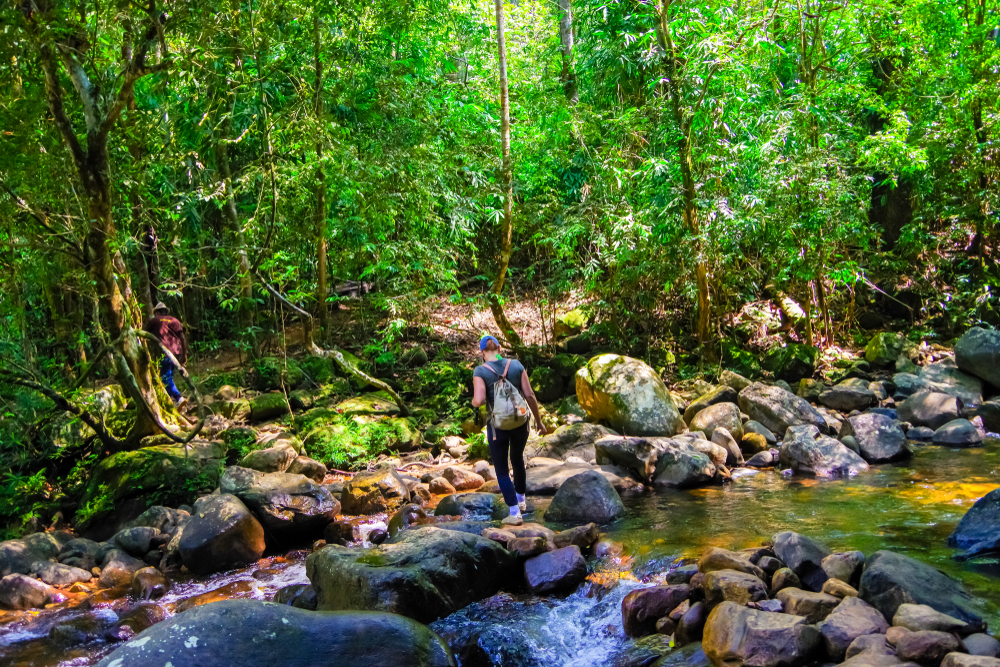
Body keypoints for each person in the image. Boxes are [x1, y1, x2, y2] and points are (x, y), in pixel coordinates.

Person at [472, 335, 548, 526]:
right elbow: (529, 395)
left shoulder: (480, 370)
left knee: (502, 470)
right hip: (521, 422)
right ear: (499, 348)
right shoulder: (515, 365)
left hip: (498, 426)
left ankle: (514, 513)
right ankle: (521, 501)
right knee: (517, 457)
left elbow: (479, 400)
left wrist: (473, 402)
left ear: (482, 352)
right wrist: (539, 422)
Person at [144, 302, 188, 406]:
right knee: (167, 376)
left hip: (166, 352)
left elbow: (143, 334)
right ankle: (166, 403)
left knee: (165, 378)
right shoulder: (175, 321)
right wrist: (184, 354)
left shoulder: (154, 320)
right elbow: (182, 338)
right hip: (177, 352)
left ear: (157, 312)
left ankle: (178, 398)